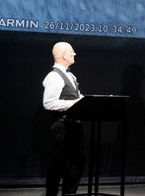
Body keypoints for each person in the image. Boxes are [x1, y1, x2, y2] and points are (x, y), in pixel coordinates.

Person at [42, 42, 85, 196]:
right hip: (61, 128)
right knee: (57, 166)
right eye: (72, 52)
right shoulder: (54, 76)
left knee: (76, 164)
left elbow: (78, 98)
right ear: (64, 55)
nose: (74, 54)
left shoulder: (71, 75)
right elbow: (48, 103)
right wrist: (73, 103)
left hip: (73, 127)